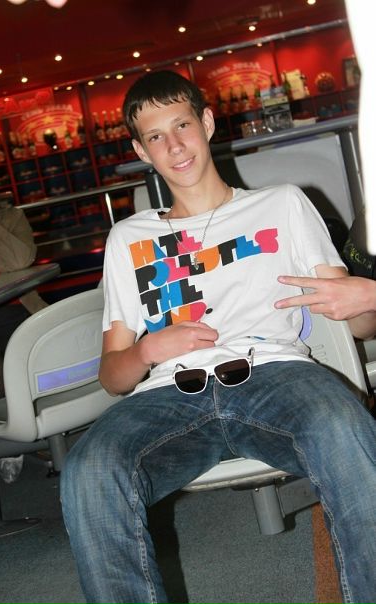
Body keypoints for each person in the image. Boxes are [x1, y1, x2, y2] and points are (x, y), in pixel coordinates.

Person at [60, 70, 376, 604]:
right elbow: (113, 377)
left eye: (182, 125)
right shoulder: (129, 238)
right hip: (167, 395)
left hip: (275, 374)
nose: (174, 145)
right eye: (155, 136)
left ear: (206, 123)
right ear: (140, 150)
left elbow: (358, 322)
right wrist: (146, 349)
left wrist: (368, 300)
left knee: (345, 428)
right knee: (88, 469)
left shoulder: (282, 204)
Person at [0, 150, 47, 406]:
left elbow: (20, 260)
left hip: (15, 313)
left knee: (16, 366)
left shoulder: (10, 216)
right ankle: (7, 428)